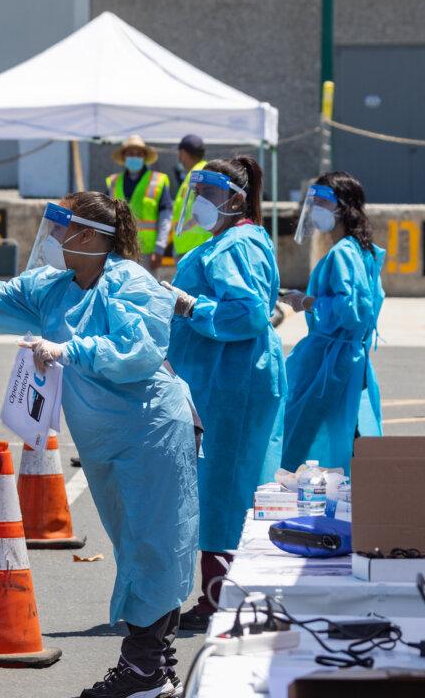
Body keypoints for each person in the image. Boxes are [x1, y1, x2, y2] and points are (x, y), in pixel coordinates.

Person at [0, 192, 199, 698]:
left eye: (59, 228)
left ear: (89, 236)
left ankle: (144, 671)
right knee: (135, 548)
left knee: (154, 548)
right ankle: (154, 669)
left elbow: (137, 354)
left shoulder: (131, 284)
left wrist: (69, 349)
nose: (50, 238)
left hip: (151, 431)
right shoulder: (55, 289)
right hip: (107, 438)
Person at [161, 156, 285, 631]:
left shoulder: (237, 244)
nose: (200, 203)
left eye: (209, 194)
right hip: (223, 379)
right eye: (198, 192)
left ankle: (221, 596)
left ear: (234, 197)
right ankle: (222, 591)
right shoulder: (229, 241)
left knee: (224, 487)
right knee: (222, 484)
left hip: (232, 381)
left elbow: (248, 313)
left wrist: (190, 305)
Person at [280, 171, 385, 474]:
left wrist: (307, 302)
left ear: (341, 207)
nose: (314, 210)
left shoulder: (343, 253)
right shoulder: (359, 249)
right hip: (345, 359)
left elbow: (351, 310)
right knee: (349, 430)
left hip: (333, 362)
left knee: (308, 432)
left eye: (321, 202)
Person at [105, 134, 171, 274]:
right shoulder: (113, 182)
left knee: (146, 290)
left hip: (146, 251)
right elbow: (105, 216)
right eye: (130, 153)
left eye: (138, 153)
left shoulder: (157, 180)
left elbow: (165, 215)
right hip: (119, 249)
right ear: (124, 157)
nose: (134, 157)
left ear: (144, 157)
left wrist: (159, 248)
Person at [169, 134, 210, 259]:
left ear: (183, 153)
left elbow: (206, 207)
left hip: (195, 245)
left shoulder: (199, 174)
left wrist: (184, 228)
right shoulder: (197, 173)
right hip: (192, 245)